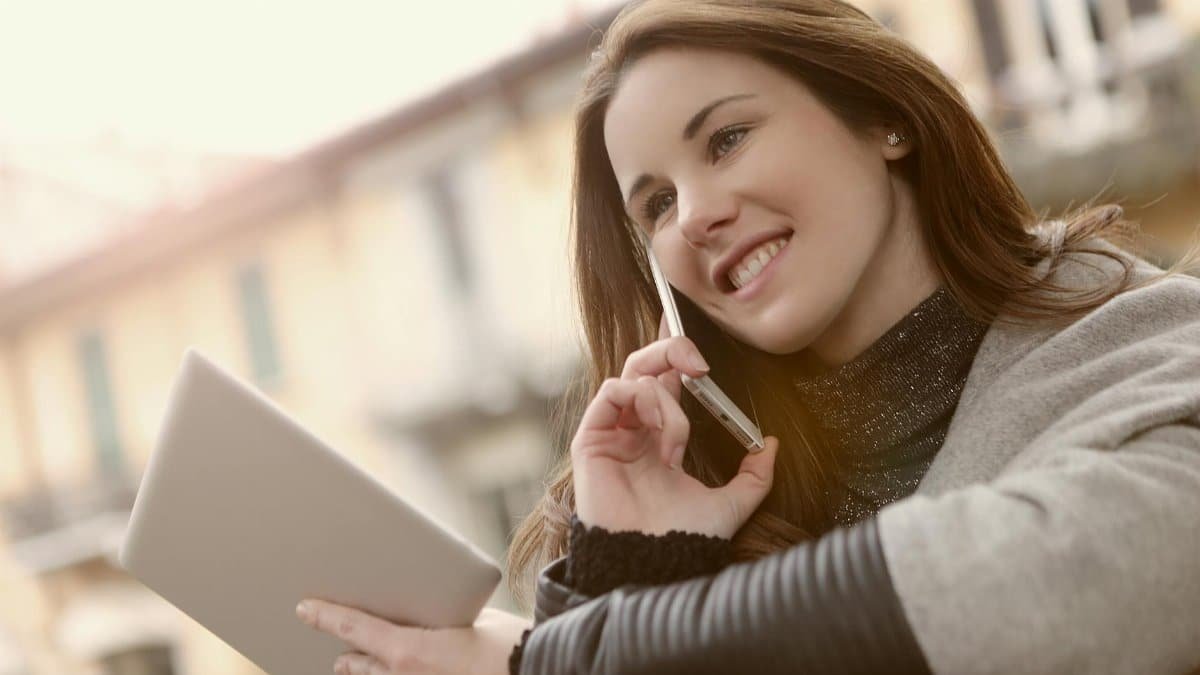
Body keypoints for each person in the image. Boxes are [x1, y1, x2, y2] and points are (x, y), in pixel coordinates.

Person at [294, 1, 1200, 673]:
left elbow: (1055, 585)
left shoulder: (1145, 338)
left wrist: (556, 658)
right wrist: (630, 567)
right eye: (656, 202)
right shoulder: (716, 490)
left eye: (725, 139)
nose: (693, 216)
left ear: (882, 114)